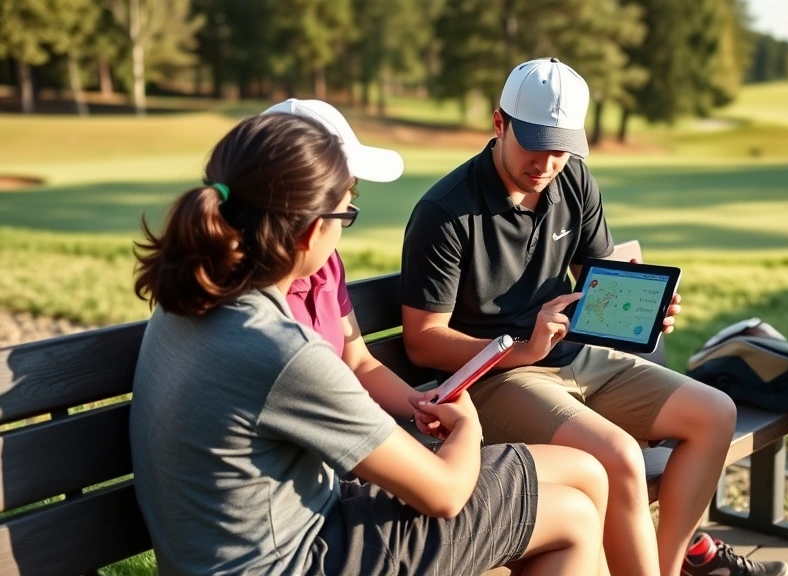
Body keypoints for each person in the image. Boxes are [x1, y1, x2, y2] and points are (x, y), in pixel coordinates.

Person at [129, 107, 610, 575]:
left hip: (285, 533)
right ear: (313, 230)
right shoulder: (278, 349)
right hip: (300, 555)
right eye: (347, 211)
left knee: (580, 472)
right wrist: (468, 427)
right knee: (571, 515)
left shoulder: (189, 301)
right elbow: (443, 494)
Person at [400, 58, 788, 576]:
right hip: (498, 379)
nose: (547, 162)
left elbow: (595, 275)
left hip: (578, 359)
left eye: (561, 147)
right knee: (622, 457)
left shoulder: (573, 179)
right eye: (535, 144)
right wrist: (522, 350)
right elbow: (422, 341)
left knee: (715, 412)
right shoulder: (446, 212)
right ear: (500, 124)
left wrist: (642, 307)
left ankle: (668, 568)